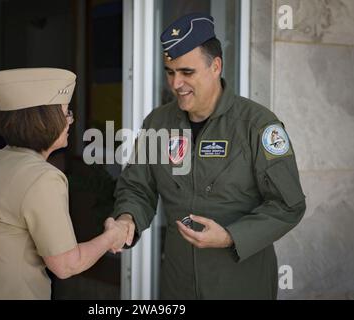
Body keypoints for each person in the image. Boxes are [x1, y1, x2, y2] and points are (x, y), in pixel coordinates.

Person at [112, 13, 306, 299]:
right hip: (178, 284)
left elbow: (289, 205)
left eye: (186, 72)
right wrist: (127, 219)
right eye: (170, 71)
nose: (176, 83)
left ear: (216, 66)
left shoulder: (258, 125)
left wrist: (230, 237)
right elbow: (138, 187)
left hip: (241, 283)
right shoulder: (158, 123)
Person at [0, 68, 127, 299]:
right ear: (43, 119)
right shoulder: (42, 177)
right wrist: (112, 235)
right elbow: (66, 264)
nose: (71, 120)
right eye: (65, 112)